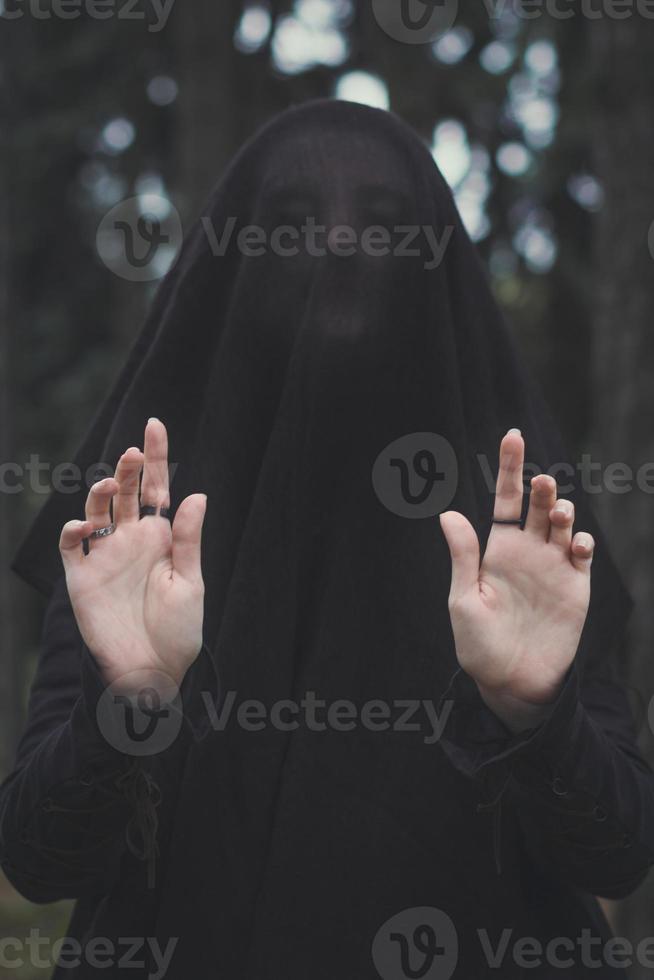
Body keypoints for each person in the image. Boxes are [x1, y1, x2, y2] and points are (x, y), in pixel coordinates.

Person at [1, 100, 652, 979]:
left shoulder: (522, 534)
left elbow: (616, 856)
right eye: (296, 226)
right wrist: (129, 702)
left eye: (383, 227)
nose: (342, 249)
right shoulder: (139, 532)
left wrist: (537, 713)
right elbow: (38, 864)